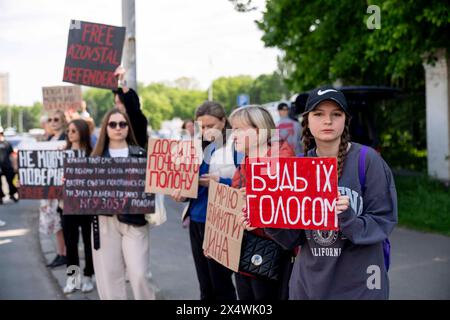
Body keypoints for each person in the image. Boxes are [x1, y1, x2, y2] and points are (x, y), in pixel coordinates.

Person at [262, 87, 398, 299]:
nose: (328, 121)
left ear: (345, 120)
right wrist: (267, 218)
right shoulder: (298, 166)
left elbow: (383, 222)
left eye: (336, 114)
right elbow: (292, 238)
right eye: (319, 114)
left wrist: (347, 217)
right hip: (310, 285)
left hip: (361, 285)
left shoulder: (367, 160)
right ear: (306, 121)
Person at [171, 101, 238, 301]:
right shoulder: (193, 146)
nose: (205, 131)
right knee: (205, 285)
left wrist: (220, 182)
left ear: (223, 121)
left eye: (211, 126)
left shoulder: (235, 144)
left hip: (222, 221)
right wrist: (181, 192)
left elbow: (245, 182)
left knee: (221, 284)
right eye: (202, 126)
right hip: (197, 220)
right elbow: (186, 182)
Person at [229, 105, 296, 300]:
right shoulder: (245, 163)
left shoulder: (284, 162)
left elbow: (290, 211)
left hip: (274, 255)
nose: (233, 136)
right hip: (245, 254)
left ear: (260, 130)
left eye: (239, 129)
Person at [90, 108, 154, 300]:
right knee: (110, 277)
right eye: (113, 124)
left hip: (135, 221)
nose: (118, 128)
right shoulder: (96, 158)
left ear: (128, 127)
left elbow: (154, 186)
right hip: (104, 221)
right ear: (106, 128)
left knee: (139, 274)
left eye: (122, 124)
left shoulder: (141, 154)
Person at [61, 119, 95, 294]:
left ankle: (89, 276)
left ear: (82, 131)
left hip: (89, 206)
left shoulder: (92, 154)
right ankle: (73, 279)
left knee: (89, 243)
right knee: (71, 243)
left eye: (73, 130)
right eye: (68, 131)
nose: (70, 134)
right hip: (68, 205)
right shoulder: (63, 153)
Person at [42, 110, 68, 268]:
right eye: (50, 119)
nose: (53, 122)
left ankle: (66, 254)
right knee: (55, 223)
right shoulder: (50, 138)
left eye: (56, 119)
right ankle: (60, 253)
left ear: (63, 120)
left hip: (63, 187)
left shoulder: (67, 137)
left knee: (64, 223)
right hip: (50, 187)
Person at [112, 67, 148, 149]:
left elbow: (131, 106)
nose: (117, 106)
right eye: (115, 103)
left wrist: (122, 81)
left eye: (120, 103)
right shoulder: (116, 119)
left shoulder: (139, 120)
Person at [0, 126, 19, 204]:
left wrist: (15, 166)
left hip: (7, 166)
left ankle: (12, 194)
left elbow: (12, 155)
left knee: (11, 181)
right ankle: (0, 197)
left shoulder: (7, 143)